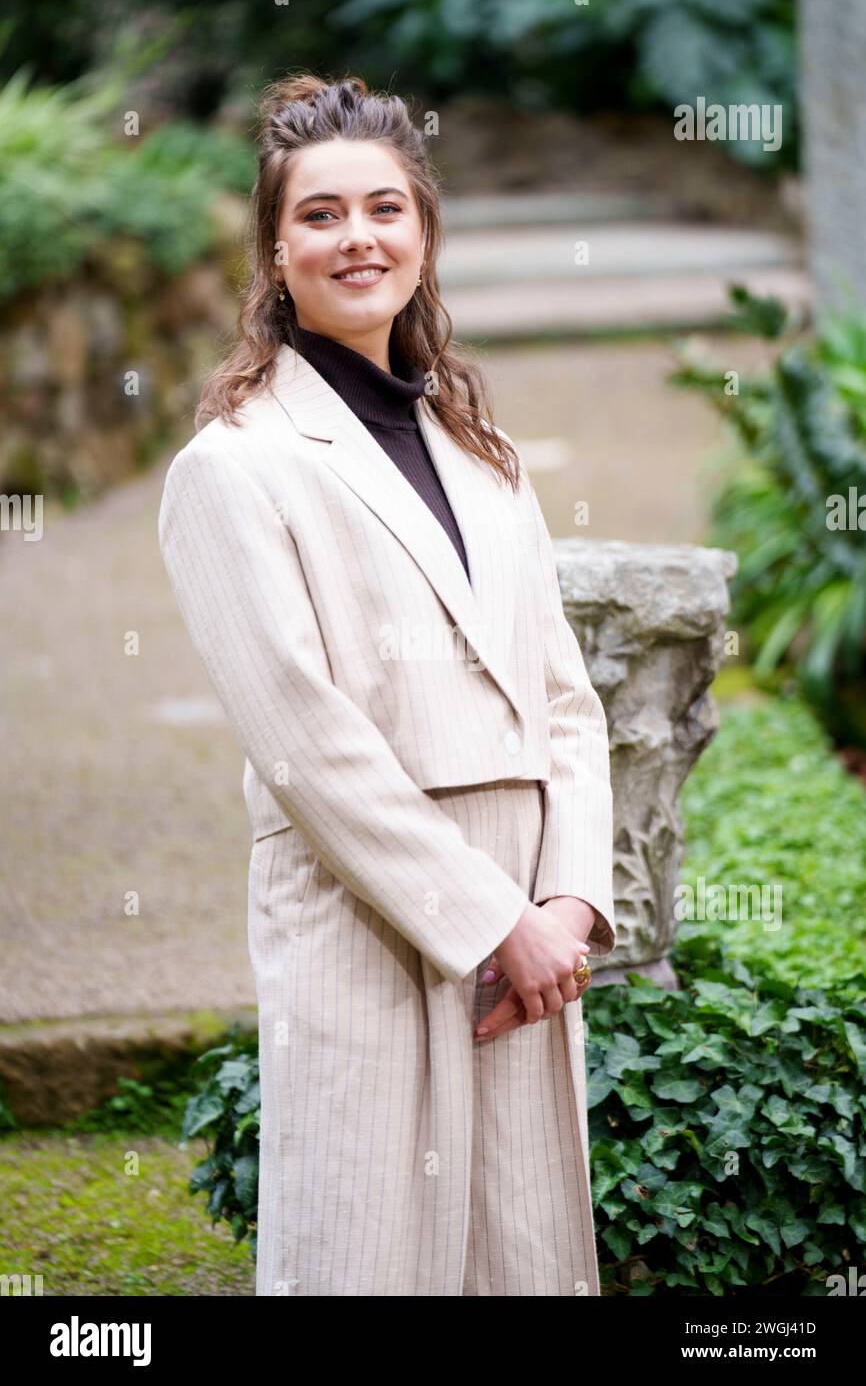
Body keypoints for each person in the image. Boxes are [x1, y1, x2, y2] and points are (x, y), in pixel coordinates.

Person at [158, 71, 616, 1297]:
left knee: (520, 1256)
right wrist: (490, 924)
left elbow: (563, 698)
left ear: (421, 229)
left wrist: (565, 905)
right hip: (370, 912)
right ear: (274, 248)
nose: (356, 238)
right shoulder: (234, 469)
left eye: (383, 209)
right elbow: (305, 743)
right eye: (319, 215)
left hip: (530, 927)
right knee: (369, 1253)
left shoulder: (485, 447)